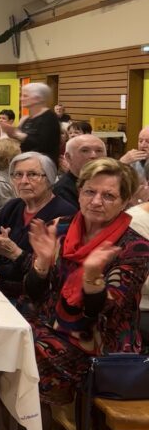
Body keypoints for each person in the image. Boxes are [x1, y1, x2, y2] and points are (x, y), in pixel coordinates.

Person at [23, 158, 149, 405]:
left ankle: (34, 425)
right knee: (10, 340)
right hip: (48, 325)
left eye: (109, 196)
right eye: (90, 191)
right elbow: (33, 294)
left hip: (100, 343)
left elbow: (100, 312)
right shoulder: (58, 228)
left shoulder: (135, 248)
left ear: (125, 202)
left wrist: (91, 278)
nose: (96, 201)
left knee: (28, 353)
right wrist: (41, 265)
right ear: (79, 193)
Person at [0, 152, 75, 300]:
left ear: (50, 178)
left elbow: (54, 275)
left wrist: (14, 253)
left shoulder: (65, 214)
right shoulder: (13, 207)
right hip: (2, 291)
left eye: (33, 174)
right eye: (18, 175)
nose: (23, 181)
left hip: (37, 300)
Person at [0, 83, 61, 167]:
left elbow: (43, 145)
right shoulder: (26, 119)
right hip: (27, 162)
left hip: (43, 166)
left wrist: (17, 134)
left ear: (37, 98)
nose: (21, 99)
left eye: (25, 96)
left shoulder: (49, 117)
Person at [53, 134, 106, 208]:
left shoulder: (108, 181)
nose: (93, 155)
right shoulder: (62, 192)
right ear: (68, 157)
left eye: (99, 151)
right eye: (85, 151)